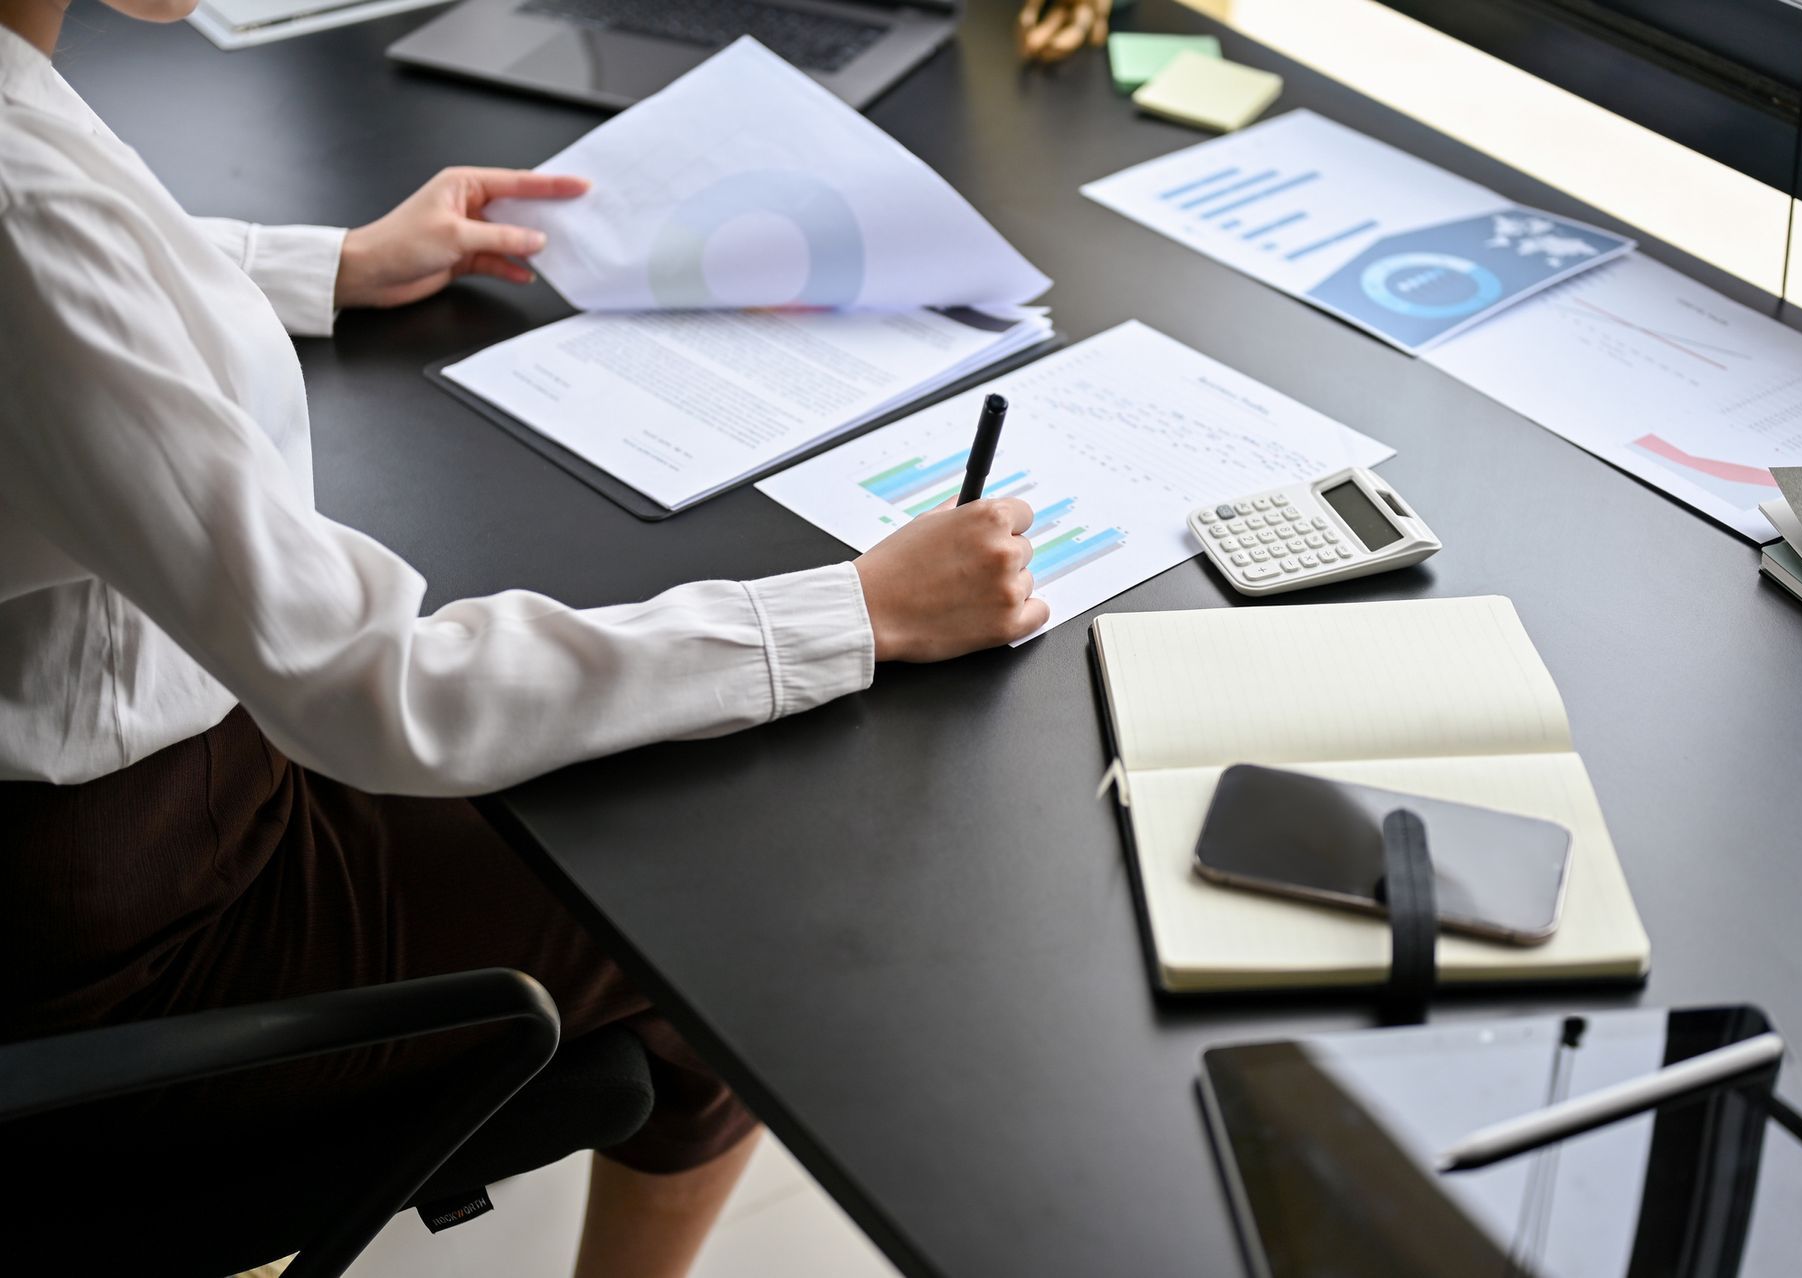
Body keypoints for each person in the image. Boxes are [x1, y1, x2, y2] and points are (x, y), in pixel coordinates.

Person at [0, 0, 1048, 1272]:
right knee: (720, 897)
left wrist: (326, 264)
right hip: (116, 946)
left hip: (133, 820)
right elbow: (372, 689)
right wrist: (859, 611)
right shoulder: (25, 209)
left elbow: (88, 289)